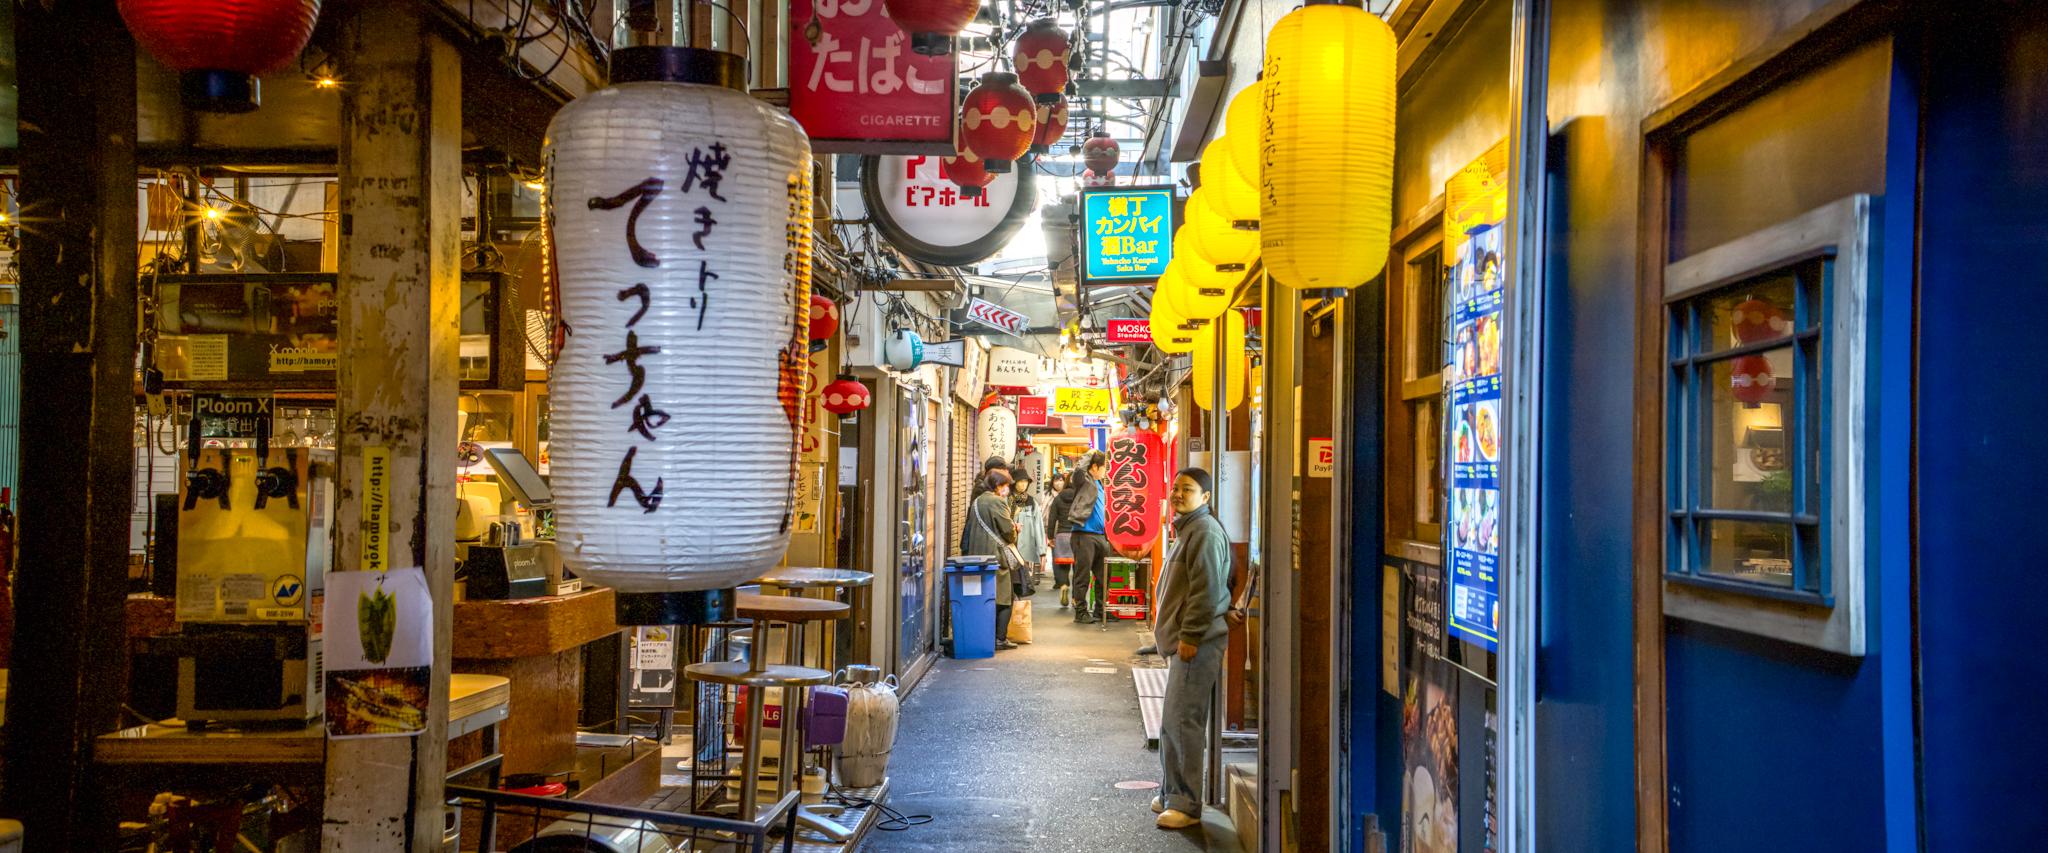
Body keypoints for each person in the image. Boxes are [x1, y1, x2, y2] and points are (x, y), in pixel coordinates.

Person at [1151, 467, 1231, 830]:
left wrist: (1190, 636)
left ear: (1206, 497)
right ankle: (1172, 793)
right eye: (1176, 488)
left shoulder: (1205, 531)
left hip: (1196, 642)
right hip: (1186, 640)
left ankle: (1185, 803)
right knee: (1173, 720)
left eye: (1188, 489)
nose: (1178, 494)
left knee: (1184, 721)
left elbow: (1206, 589)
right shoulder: (1189, 529)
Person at [964, 469, 1022, 651]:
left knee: (982, 598)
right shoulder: (997, 502)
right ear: (997, 486)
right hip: (995, 557)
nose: (1007, 489)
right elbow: (1008, 532)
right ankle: (999, 638)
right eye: (1005, 485)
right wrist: (1015, 529)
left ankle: (983, 634)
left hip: (976, 556)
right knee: (1004, 598)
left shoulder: (977, 501)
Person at [1064, 451, 1112, 624]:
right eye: (1104, 467)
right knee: (1082, 576)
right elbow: (1078, 470)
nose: (1106, 471)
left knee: (1104, 575)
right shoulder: (1084, 481)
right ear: (1094, 467)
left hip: (1101, 536)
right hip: (1083, 534)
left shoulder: (1100, 484)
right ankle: (1081, 612)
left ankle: (1101, 610)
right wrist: (1091, 453)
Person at [1009, 467, 1045, 591]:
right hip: (1010, 544)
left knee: (1024, 576)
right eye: (1020, 481)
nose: (1023, 484)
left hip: (1027, 545)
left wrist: (1041, 548)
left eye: (1025, 482)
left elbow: (1038, 525)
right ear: (1014, 483)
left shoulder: (1031, 502)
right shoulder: (1007, 500)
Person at [1046, 473, 1078, 609]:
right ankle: (1076, 598)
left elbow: (1052, 519)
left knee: (1062, 566)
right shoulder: (1079, 497)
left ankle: (1064, 585)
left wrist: (1050, 537)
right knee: (1078, 568)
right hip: (1077, 534)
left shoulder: (1058, 498)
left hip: (1061, 535)